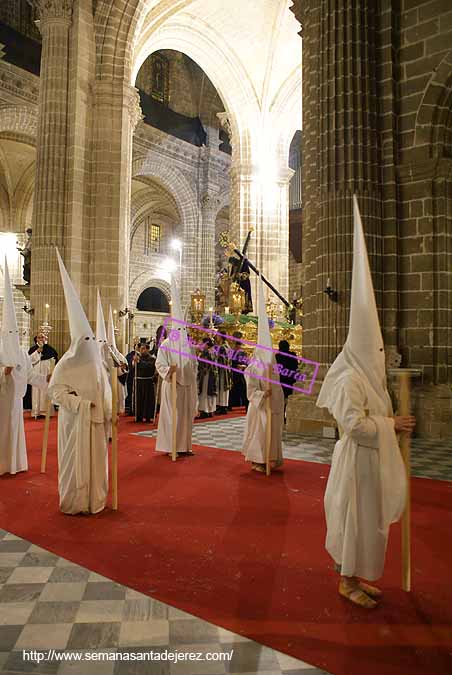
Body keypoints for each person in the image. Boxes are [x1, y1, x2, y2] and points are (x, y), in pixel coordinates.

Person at [316, 195, 415, 608]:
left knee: (371, 524)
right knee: (356, 521)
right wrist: (390, 425)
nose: (379, 354)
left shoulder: (368, 373)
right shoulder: (349, 379)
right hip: (357, 463)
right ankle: (346, 581)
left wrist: (392, 421)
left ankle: (359, 575)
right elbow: (354, 424)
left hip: (373, 462)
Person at [48, 249, 111, 515]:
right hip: (75, 423)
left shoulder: (96, 361)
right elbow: (56, 392)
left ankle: (94, 500)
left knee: (96, 463)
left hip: (96, 424)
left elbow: (104, 388)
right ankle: (75, 501)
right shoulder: (66, 363)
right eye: (83, 341)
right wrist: (81, 404)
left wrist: (108, 411)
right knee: (74, 463)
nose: (88, 346)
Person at [0, 258, 49, 476]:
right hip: (1, 400)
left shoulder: (20, 351)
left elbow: (29, 373)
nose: (14, 335)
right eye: (9, 333)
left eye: (15, 332)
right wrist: (3, 373)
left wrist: (46, 380)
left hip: (16, 401)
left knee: (15, 431)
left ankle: (15, 463)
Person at [242, 277, 284, 473]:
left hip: (272, 405)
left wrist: (274, 394)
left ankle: (271, 457)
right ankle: (258, 459)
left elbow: (278, 384)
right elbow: (250, 387)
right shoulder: (254, 365)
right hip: (260, 407)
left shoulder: (272, 362)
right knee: (260, 433)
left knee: (272, 432)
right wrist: (262, 394)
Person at [155, 276, 198, 457]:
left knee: (185, 417)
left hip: (186, 387)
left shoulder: (189, 347)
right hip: (172, 386)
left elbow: (194, 365)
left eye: (183, 331)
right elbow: (159, 363)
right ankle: (170, 446)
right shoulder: (165, 345)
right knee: (173, 417)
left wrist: (190, 373)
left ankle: (183, 446)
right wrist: (168, 371)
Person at [28, 333, 58, 418]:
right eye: (39, 337)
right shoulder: (33, 349)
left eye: (42, 337)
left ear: (45, 339)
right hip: (36, 374)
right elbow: (29, 360)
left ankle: (46, 412)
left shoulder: (50, 349)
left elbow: (54, 360)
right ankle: (36, 411)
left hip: (46, 374)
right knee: (36, 391)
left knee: (46, 391)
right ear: (36, 339)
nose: (41, 339)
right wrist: (38, 351)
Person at [107, 305, 128, 414]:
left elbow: (125, 369)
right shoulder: (103, 355)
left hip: (117, 380)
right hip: (107, 380)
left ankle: (120, 408)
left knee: (118, 395)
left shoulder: (120, 356)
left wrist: (122, 367)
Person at [275, 339, 298, 422]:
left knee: (281, 399)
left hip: (280, 380)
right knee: (288, 398)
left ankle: (281, 416)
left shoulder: (277, 356)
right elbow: (295, 367)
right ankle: (289, 415)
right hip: (290, 379)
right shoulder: (293, 355)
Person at [134, 342, 156, 423]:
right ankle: (138, 416)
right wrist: (134, 363)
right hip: (139, 381)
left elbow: (148, 367)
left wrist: (139, 362)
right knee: (139, 400)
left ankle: (148, 416)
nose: (141, 350)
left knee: (147, 400)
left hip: (148, 382)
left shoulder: (152, 359)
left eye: (143, 349)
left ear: (147, 349)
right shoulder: (138, 358)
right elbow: (134, 369)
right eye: (140, 349)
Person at [197, 338, 218, 418]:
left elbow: (202, 364)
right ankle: (211, 410)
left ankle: (204, 410)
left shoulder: (206, 352)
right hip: (213, 374)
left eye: (203, 343)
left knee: (205, 392)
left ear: (206, 344)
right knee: (211, 393)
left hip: (207, 375)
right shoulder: (214, 351)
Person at [228, 331, 248, 410]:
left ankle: (242, 403)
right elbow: (229, 363)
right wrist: (236, 366)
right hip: (234, 372)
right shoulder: (231, 352)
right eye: (237, 346)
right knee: (233, 389)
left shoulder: (243, 353)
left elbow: (247, 362)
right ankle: (232, 404)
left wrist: (243, 366)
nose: (238, 348)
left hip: (241, 373)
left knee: (242, 388)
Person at [214, 331, 232, 414]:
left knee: (222, 387)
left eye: (217, 336)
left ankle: (222, 406)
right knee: (224, 388)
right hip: (226, 369)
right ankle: (223, 405)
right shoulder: (227, 345)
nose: (216, 337)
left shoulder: (222, 347)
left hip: (222, 370)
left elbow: (219, 359)